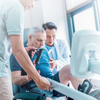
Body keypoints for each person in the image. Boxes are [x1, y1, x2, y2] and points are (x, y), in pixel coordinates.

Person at [10, 26, 84, 100]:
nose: (42, 44)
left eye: (43, 40)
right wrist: (28, 77)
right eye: (39, 40)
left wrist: (59, 83)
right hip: (32, 87)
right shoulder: (19, 54)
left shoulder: (44, 51)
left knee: (69, 68)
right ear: (30, 37)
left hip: (50, 83)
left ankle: (88, 95)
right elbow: (15, 80)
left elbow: (48, 71)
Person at [0, 0, 51, 100]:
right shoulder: (16, 7)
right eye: (35, 0)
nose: (33, 5)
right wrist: (38, 79)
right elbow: (18, 50)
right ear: (31, 37)